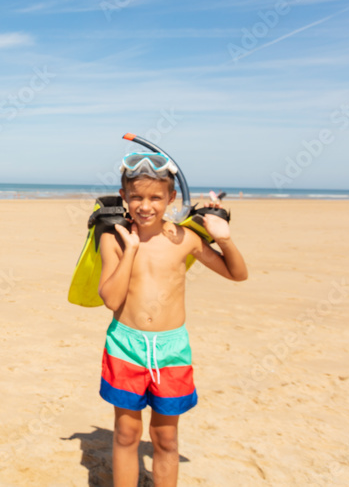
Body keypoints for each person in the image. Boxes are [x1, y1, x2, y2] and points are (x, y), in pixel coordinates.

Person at [97, 151, 248, 487]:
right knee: (125, 433)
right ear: (124, 197)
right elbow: (111, 299)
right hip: (125, 345)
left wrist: (224, 239)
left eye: (155, 197)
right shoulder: (114, 238)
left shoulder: (184, 239)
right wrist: (131, 250)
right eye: (136, 196)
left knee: (165, 438)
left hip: (171, 349)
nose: (145, 205)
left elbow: (237, 274)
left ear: (171, 198)